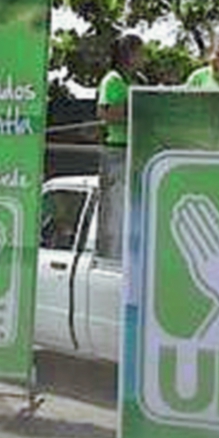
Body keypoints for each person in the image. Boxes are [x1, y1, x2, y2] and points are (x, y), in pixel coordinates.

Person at [95, 34, 142, 276]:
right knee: (115, 209)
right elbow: (106, 114)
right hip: (117, 150)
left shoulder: (135, 79)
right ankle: (111, 260)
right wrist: (135, 114)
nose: (142, 57)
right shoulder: (113, 80)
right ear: (128, 54)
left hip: (134, 149)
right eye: (139, 52)